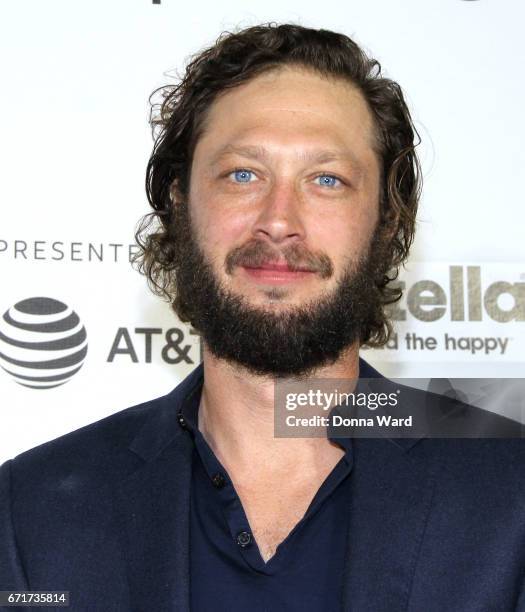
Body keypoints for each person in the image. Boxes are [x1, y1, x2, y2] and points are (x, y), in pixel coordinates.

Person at [1, 23, 524, 612]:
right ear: (180, 202)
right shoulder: (33, 511)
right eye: (243, 174)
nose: (279, 219)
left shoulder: (511, 489)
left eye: (327, 180)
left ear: (386, 221)